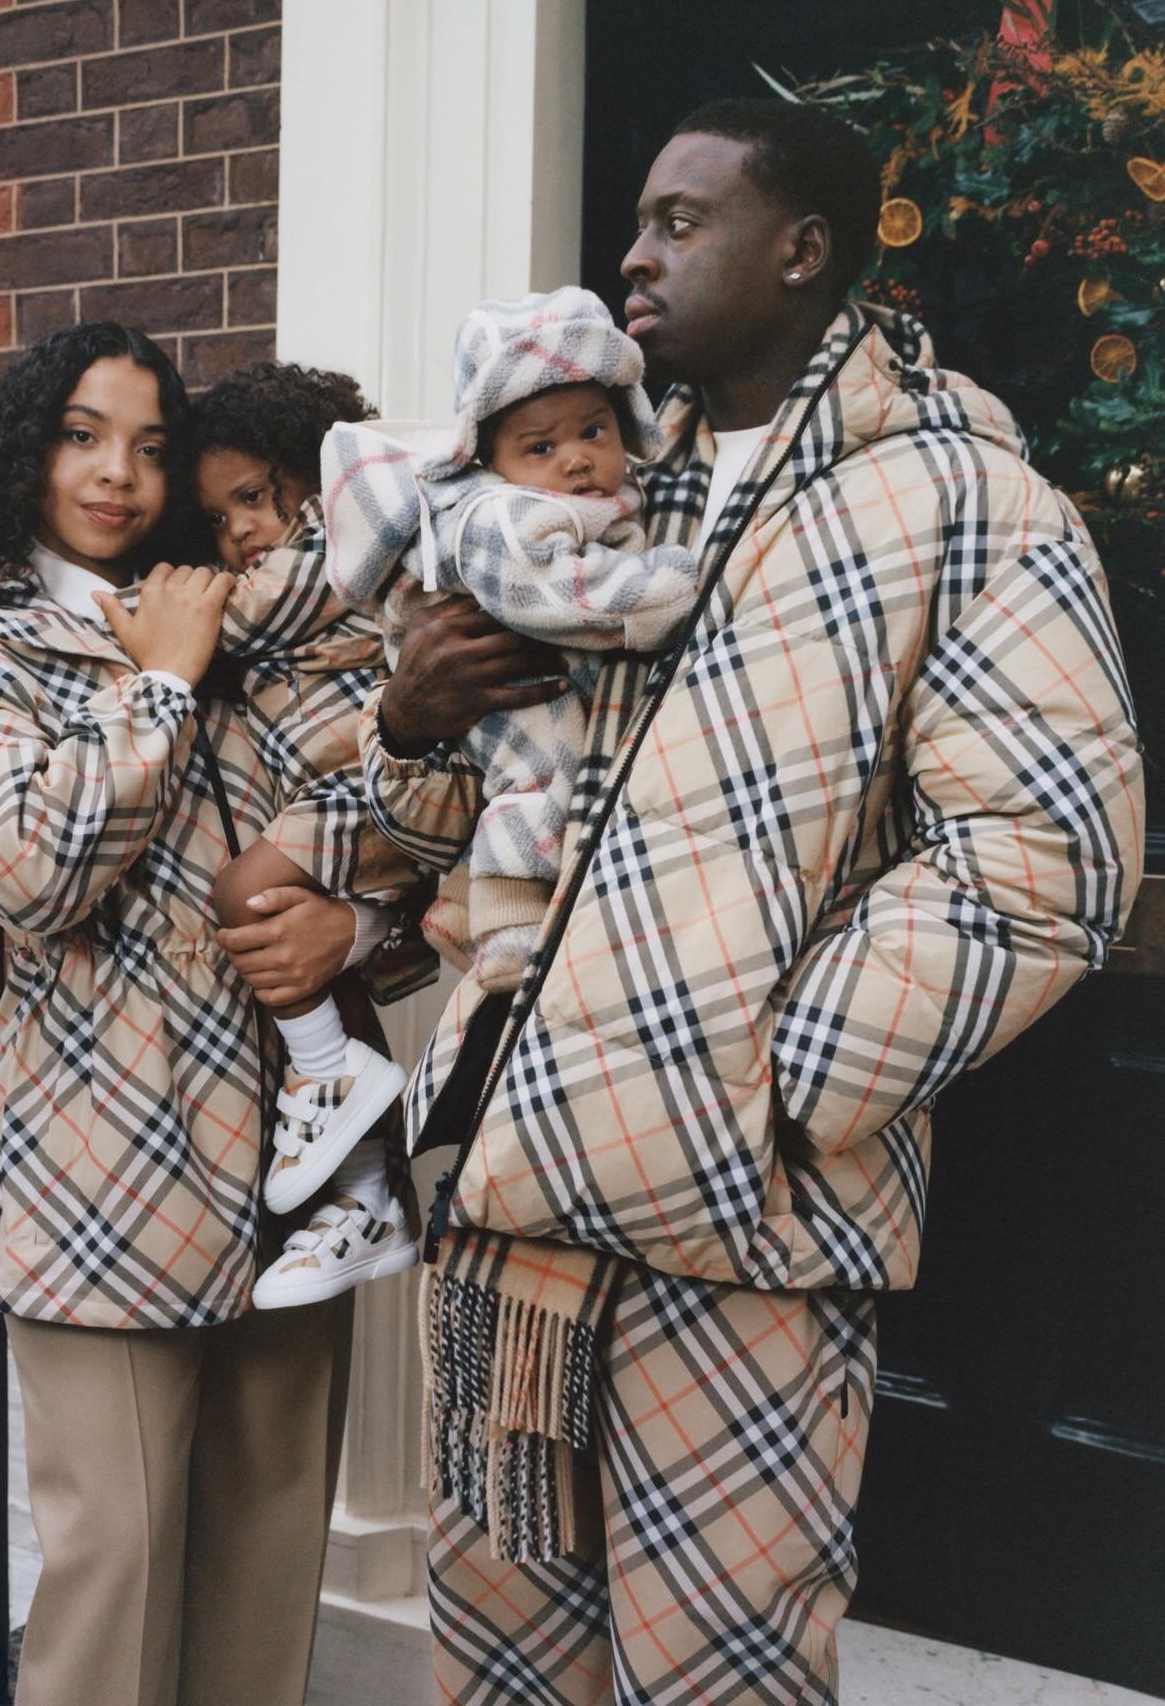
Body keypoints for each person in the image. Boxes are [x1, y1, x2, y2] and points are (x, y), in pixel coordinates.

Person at [362, 99, 1146, 1704]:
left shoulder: (963, 502)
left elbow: (1052, 850)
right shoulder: (585, 495)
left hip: (743, 1233)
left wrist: (777, 1086)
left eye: (678, 219)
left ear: (804, 249)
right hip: (514, 1216)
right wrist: (412, 721)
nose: (634, 255)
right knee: (503, 1674)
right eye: (638, 223)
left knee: (717, 1681)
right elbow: (453, 827)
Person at [0, 323, 359, 1706]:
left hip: (295, 1148)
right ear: (25, 450)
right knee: (118, 1577)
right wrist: (158, 685)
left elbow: (361, 821)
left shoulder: (229, 604)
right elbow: (37, 878)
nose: (119, 474)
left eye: (153, 446)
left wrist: (358, 923)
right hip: (108, 1172)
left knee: (271, 1564)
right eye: (84, 435)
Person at [323, 286, 698, 994]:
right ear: (490, 457)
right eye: (541, 446)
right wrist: (662, 591)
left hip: (543, 670)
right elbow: (560, 591)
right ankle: (511, 929)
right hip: (502, 678)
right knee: (543, 767)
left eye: (593, 432)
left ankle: (466, 901)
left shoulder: (595, 499)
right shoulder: (498, 514)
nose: (576, 460)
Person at [180, 361, 426, 1309]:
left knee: (246, 894)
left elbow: (230, 617)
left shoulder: (334, 544)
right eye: (215, 518)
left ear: (311, 479)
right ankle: (370, 1200)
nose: (238, 532)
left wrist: (129, 613)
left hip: (368, 780)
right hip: (337, 794)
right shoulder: (288, 551)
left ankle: (331, 1080)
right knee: (319, 972)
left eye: (251, 499)